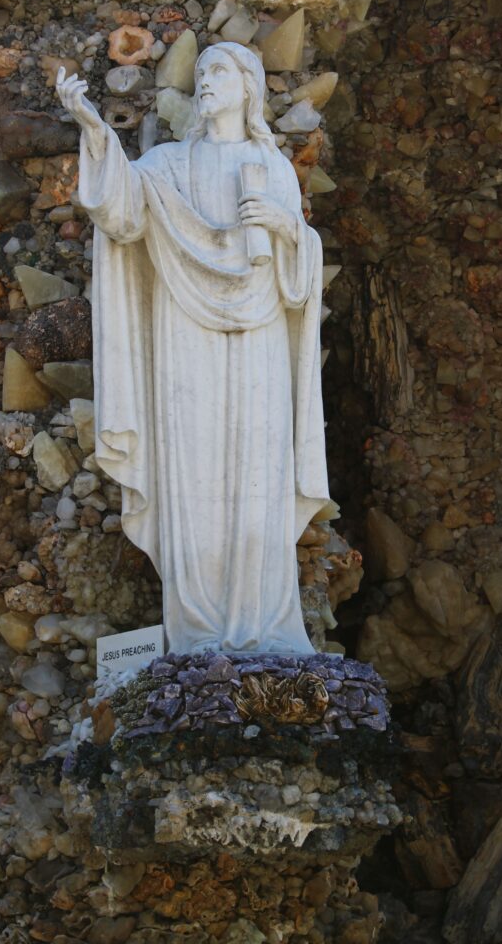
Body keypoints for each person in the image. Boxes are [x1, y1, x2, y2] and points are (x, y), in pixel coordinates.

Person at [56, 42, 331, 655]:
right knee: (193, 471)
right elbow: (121, 214)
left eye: (219, 72)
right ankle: (198, 632)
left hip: (260, 334)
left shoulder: (272, 167)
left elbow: (300, 277)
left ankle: (264, 627)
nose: (206, 82)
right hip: (184, 335)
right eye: (201, 72)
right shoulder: (168, 166)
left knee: (259, 472)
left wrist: (287, 228)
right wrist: (96, 133)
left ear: (248, 88)